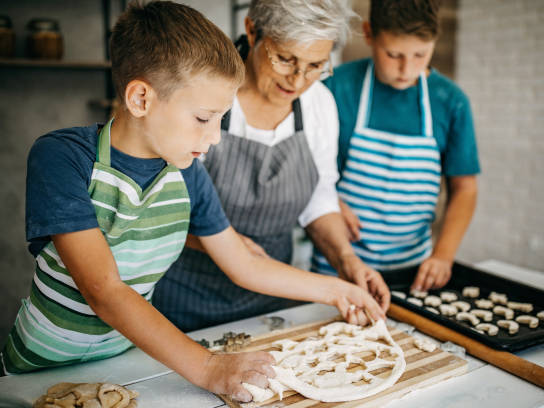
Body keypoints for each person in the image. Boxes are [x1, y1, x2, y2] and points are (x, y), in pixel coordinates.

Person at [0, 2, 384, 402]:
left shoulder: (187, 173)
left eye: (221, 119)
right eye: (204, 119)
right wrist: (208, 367)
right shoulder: (62, 158)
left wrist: (342, 290)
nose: (216, 137)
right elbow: (105, 290)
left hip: (126, 360)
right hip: (37, 369)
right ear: (141, 99)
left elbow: (245, 264)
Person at [153, 0, 390, 331]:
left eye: (315, 65)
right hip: (183, 297)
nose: (298, 79)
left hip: (273, 298)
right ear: (252, 31)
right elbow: (155, 207)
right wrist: (225, 243)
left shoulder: (319, 103)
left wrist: (345, 258)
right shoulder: (207, 98)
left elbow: (319, 198)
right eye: (285, 59)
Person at [313, 0, 479, 292]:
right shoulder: (336, 88)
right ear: (368, 34)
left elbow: (465, 188)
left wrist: (443, 255)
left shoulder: (451, 102)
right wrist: (329, 202)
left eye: (420, 55)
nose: (407, 68)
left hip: (412, 270)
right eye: (393, 54)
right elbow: (306, 169)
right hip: (337, 267)